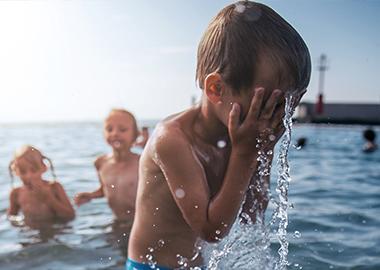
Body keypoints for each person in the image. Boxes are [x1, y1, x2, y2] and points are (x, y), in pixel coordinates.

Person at [128, 1, 311, 269]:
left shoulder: (239, 138)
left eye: (284, 111)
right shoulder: (172, 139)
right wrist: (246, 153)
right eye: (267, 107)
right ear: (216, 89)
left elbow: (253, 214)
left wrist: (265, 150)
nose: (273, 120)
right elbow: (211, 230)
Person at [74, 109, 140, 222]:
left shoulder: (142, 164)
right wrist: (91, 195)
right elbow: (107, 189)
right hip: (117, 222)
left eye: (122, 130)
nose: (115, 133)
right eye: (109, 129)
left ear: (135, 135)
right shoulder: (101, 163)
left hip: (141, 225)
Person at [7, 145, 75, 227]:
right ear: (15, 171)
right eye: (23, 171)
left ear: (43, 167)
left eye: (34, 170)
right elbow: (11, 217)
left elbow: (70, 215)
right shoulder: (16, 193)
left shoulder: (54, 188)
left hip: (55, 229)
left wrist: (49, 199)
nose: (29, 176)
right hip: (29, 232)